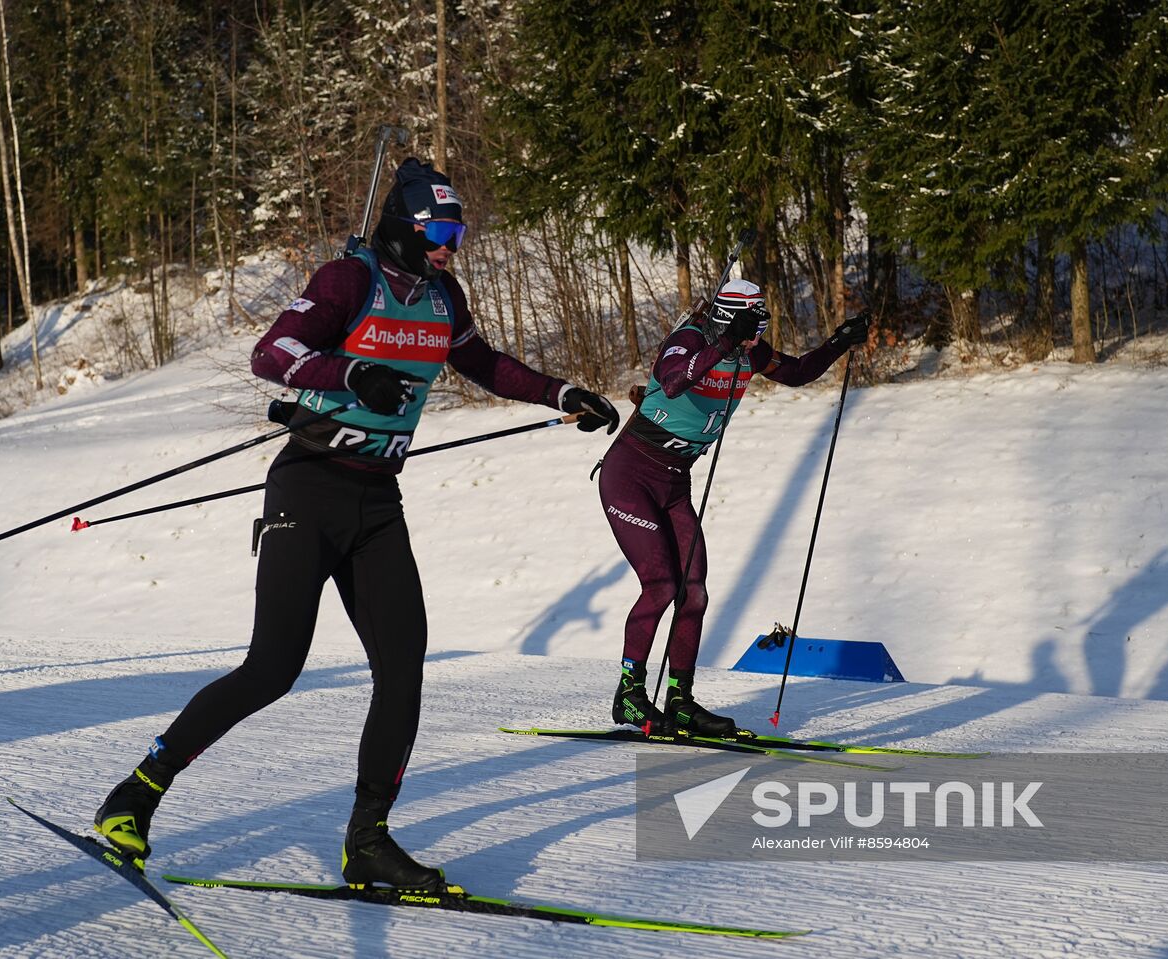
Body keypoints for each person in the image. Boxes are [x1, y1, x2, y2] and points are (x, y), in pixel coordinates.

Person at [93, 157, 618, 889]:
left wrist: (562, 393)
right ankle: (136, 793)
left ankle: (367, 841)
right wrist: (349, 373)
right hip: (309, 489)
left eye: (459, 233)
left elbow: (483, 364)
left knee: (403, 668)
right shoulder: (347, 281)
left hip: (377, 501)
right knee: (273, 668)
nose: (451, 247)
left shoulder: (443, 296)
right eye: (440, 232)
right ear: (404, 227)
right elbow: (271, 353)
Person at [597, 279, 869, 737]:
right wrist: (724, 342)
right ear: (728, 320)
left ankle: (680, 701)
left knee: (694, 592)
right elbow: (673, 381)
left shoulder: (749, 351)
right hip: (630, 477)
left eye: (761, 325)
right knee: (661, 585)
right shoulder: (689, 340)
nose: (757, 336)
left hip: (674, 482)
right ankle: (629, 695)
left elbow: (798, 372)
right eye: (751, 326)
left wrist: (838, 343)